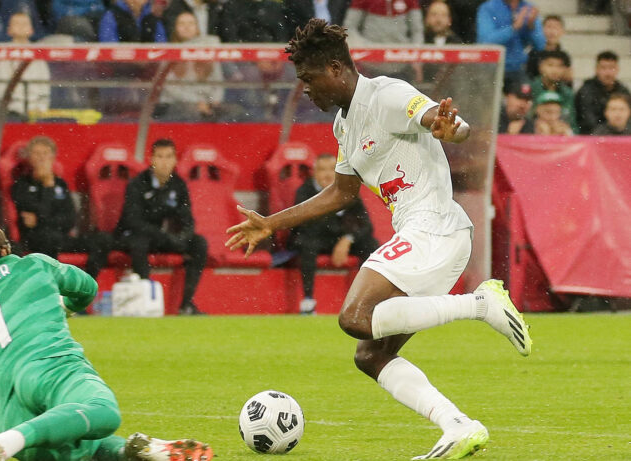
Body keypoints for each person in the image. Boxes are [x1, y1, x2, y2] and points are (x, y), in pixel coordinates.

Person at [226, 19, 532, 459]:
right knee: (369, 355)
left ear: (335, 69)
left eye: (309, 79)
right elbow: (341, 192)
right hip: (426, 236)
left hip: (434, 227)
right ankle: (458, 425)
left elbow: (443, 120)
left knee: (354, 316)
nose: (306, 90)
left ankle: (481, 304)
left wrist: (449, 127)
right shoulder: (344, 126)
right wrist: (273, 223)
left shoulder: (386, 95)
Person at [0, 222, 214, 461]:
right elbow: (87, 289)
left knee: (74, 448)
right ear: (5, 249)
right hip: (49, 365)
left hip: (6, 409)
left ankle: (125, 451)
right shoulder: (32, 265)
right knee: (103, 411)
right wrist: (65, 306)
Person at [115, 138, 208, 316]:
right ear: (151, 160)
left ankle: (186, 305)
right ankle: (145, 299)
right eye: (160, 157)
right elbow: (133, 220)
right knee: (139, 243)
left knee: (199, 243)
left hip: (166, 238)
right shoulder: (137, 184)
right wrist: (164, 236)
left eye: (169, 157)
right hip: (140, 236)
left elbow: (187, 218)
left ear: (175, 160)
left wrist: (183, 237)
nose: (164, 162)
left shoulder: (179, 185)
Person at [11, 136, 111, 278]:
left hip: (61, 237)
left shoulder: (61, 184)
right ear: (29, 157)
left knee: (103, 239)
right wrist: (47, 186)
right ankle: (54, 286)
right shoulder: (20, 185)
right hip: (35, 240)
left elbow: (69, 220)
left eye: (45, 153)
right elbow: (31, 223)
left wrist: (40, 219)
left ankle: (87, 282)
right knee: (48, 238)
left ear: (53, 157)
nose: (41, 158)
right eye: (36, 153)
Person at [289, 153, 377, 315]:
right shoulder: (304, 191)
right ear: (314, 173)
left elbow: (366, 225)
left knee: (371, 244)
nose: (328, 174)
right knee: (307, 243)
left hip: (340, 240)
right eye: (322, 170)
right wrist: (333, 206)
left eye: (332, 169)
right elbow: (306, 225)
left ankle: (367, 299)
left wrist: (347, 239)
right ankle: (308, 302)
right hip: (315, 239)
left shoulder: (348, 190)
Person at [0, 12, 51, 119]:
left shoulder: (38, 53)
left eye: (25, 24)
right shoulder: (3, 53)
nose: (21, 26)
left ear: (32, 30)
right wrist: (10, 106)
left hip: (35, 109)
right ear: (9, 30)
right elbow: (0, 86)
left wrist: (41, 107)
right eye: (17, 23)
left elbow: (44, 85)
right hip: (10, 110)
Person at [476, 0, 544, 89]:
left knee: (524, 99)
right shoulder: (488, 7)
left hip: (517, 69)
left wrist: (531, 26)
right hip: (490, 68)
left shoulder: (529, 8)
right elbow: (485, 41)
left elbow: (540, 46)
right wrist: (513, 28)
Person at [575, 51, 631, 135]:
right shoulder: (586, 91)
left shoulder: (623, 90)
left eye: (612, 68)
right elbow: (588, 122)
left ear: (617, 69)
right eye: (603, 68)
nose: (608, 73)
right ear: (596, 69)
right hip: (594, 136)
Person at [530, 50, 576, 132]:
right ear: (540, 67)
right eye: (550, 65)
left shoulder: (568, 93)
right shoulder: (530, 89)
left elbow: (572, 123)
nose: (555, 70)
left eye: (559, 66)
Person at [525, 15, 572, 85]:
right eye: (549, 27)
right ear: (541, 30)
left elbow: (568, 83)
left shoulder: (564, 56)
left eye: (556, 27)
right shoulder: (533, 54)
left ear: (562, 31)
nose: (552, 31)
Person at [98, 0, 167, 42]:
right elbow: (109, 46)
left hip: (149, 64)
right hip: (120, 64)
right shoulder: (111, 16)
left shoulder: (152, 18)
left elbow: (161, 45)